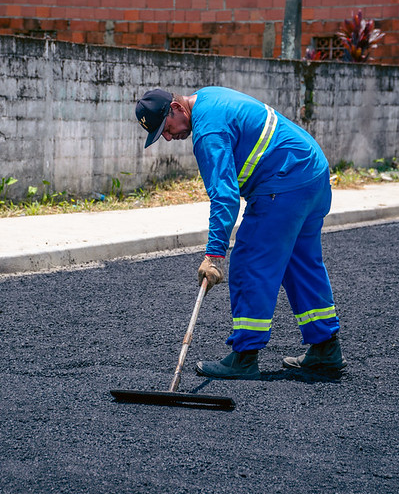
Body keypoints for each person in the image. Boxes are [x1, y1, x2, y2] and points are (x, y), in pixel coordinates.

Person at [134, 87, 346, 379]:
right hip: (312, 171)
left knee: (250, 262)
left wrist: (214, 255)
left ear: (177, 108)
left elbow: (225, 197)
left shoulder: (208, 132)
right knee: (301, 263)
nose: (169, 138)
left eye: (166, 129)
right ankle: (325, 349)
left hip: (284, 183)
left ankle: (244, 357)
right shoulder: (210, 97)